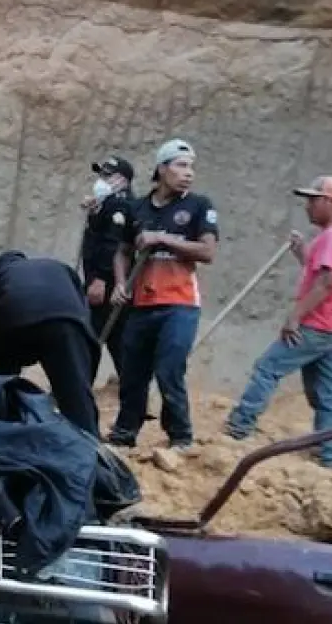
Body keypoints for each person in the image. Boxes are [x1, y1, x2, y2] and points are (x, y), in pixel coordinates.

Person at [225, 176, 332, 468]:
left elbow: (324, 283)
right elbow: (321, 273)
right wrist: (303, 253)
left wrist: (294, 317)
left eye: (313, 200)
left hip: (315, 324)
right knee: (326, 392)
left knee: (267, 368)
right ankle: (328, 455)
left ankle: (238, 428)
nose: (307, 206)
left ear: (331, 202)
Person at [107, 138, 218, 450]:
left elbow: (207, 251)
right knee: (132, 372)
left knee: (169, 370)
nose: (189, 173)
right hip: (141, 303)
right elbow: (123, 252)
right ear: (162, 168)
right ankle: (124, 433)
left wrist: (163, 239)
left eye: (191, 167)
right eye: (181, 165)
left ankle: (180, 436)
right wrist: (119, 283)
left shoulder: (199, 205)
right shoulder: (137, 208)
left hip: (180, 304)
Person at [0, 251, 102, 437]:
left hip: (15, 325)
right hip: (65, 323)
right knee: (76, 396)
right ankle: (90, 446)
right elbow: (81, 308)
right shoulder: (58, 267)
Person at [80, 156, 135, 381]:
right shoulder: (106, 203)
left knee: (89, 337)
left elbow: (113, 245)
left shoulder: (120, 206)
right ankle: (132, 390)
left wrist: (100, 280)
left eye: (108, 176)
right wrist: (94, 212)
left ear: (123, 180)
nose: (101, 181)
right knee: (115, 337)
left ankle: (78, 388)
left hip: (107, 283)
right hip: (102, 281)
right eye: (101, 175)